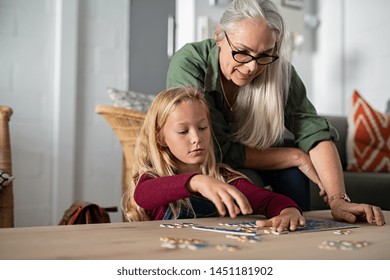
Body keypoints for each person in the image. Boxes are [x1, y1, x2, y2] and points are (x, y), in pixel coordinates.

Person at [166, 0, 385, 225]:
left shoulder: (280, 72)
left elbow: (315, 133)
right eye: (242, 52)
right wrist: (295, 156)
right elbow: (213, 149)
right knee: (262, 176)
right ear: (219, 35)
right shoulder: (189, 63)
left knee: (293, 175)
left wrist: (338, 199)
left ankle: (299, 238)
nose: (252, 67)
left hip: (249, 157)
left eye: (264, 55)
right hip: (206, 164)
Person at [121, 86, 305, 232]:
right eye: (183, 131)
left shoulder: (224, 178)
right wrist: (196, 182)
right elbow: (143, 195)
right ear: (160, 137)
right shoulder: (152, 179)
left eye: (202, 128)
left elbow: (268, 200)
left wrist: (289, 211)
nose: (196, 138)